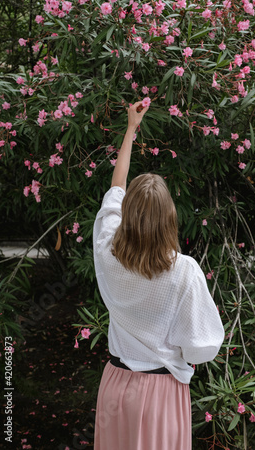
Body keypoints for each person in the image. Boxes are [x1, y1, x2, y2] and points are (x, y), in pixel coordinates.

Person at [92, 101, 225, 450]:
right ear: (170, 218)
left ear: (128, 214)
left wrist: (131, 128)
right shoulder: (184, 271)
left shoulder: (107, 248)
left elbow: (116, 187)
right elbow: (201, 347)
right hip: (160, 393)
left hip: (114, 384)